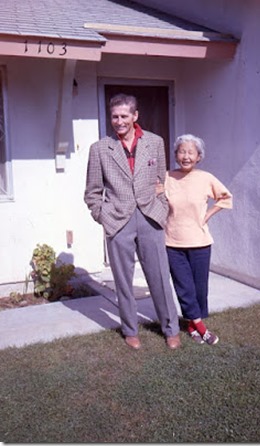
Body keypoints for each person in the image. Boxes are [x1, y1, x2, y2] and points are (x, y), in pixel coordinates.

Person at [84, 93, 181, 350]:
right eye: (114, 116)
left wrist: (160, 208)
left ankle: (170, 328)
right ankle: (130, 329)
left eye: (124, 116)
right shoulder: (100, 149)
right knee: (123, 280)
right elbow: (92, 192)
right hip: (118, 220)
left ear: (135, 116)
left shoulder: (154, 142)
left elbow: (161, 180)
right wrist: (102, 214)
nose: (119, 121)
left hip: (150, 216)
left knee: (159, 275)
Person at [158, 134, 233, 345]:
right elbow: (154, 198)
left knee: (199, 288)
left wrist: (207, 215)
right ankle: (202, 328)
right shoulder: (166, 177)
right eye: (182, 151)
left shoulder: (205, 178)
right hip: (173, 242)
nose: (186, 156)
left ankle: (191, 326)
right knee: (184, 287)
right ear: (175, 155)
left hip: (200, 243)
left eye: (191, 152)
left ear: (199, 156)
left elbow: (226, 197)